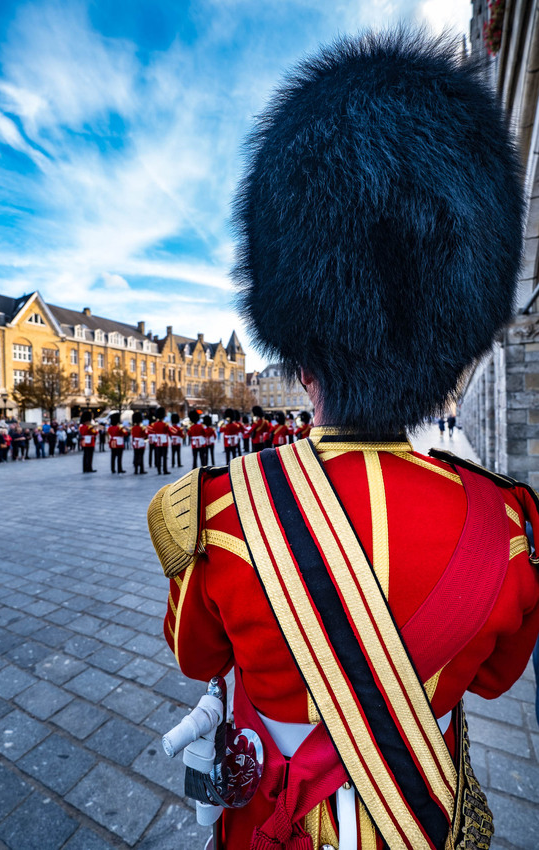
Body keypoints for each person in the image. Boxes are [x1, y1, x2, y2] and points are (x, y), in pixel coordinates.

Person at [148, 31, 539, 850]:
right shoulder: (506, 531)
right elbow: (497, 679)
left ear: (304, 360)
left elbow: (195, 656)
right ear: (447, 352)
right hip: (425, 820)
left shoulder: (219, 516)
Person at [152, 406, 170, 475]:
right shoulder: (165, 424)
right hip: (164, 442)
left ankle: (159, 470)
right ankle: (165, 470)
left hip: (157, 442)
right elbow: (169, 431)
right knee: (164, 457)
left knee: (158, 457)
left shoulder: (154, 424)